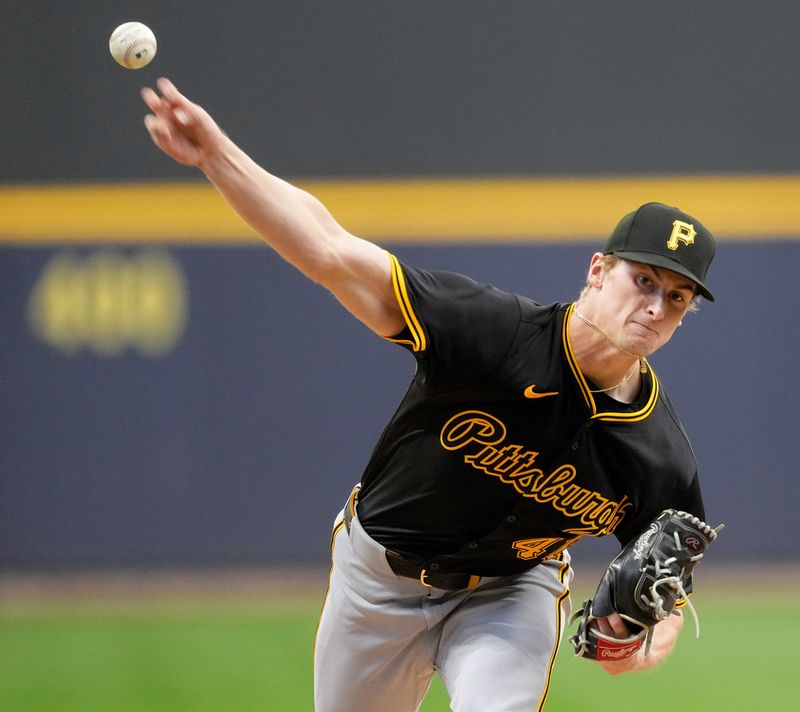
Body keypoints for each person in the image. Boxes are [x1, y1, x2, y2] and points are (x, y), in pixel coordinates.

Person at [141, 77, 717, 712]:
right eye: (643, 279)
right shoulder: (491, 332)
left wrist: (641, 643)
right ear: (597, 271)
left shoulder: (659, 454)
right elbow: (329, 250)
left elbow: (666, 585)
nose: (654, 306)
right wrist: (217, 156)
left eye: (676, 298)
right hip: (379, 578)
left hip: (511, 591)